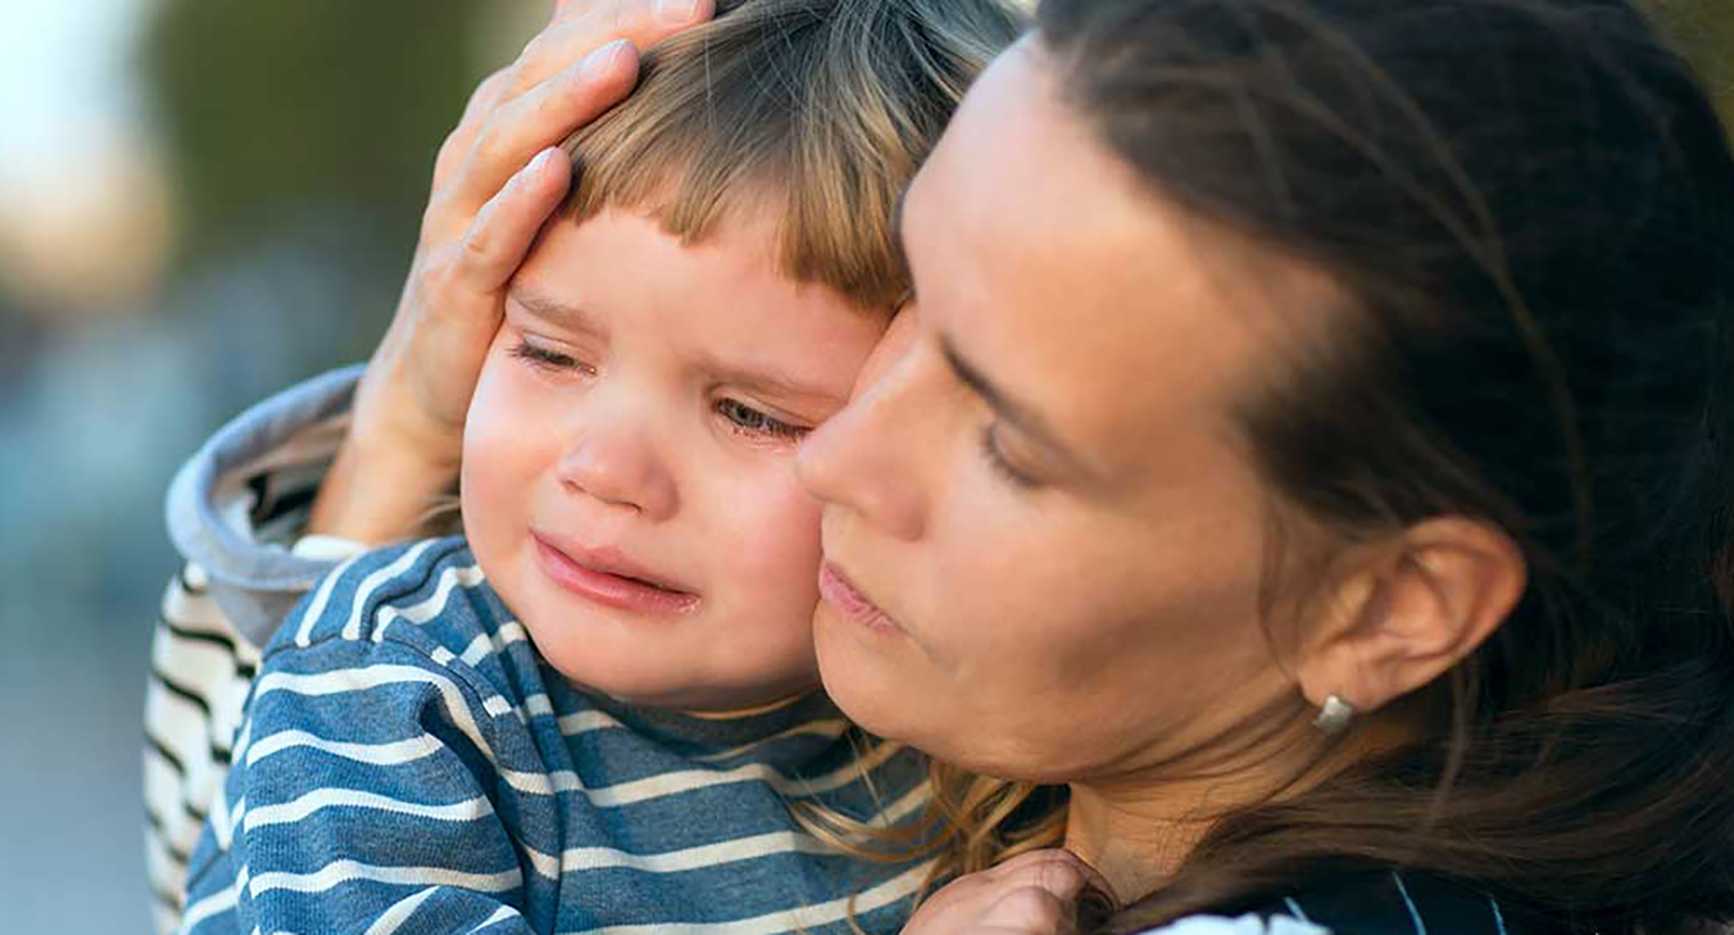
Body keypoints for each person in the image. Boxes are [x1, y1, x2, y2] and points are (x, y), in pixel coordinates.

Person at [155, 0, 1734, 932]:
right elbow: (251, 853)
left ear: (1388, 604)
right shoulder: (1006, 731)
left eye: (1005, 434)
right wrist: (405, 437)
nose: (843, 446)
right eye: (904, 312)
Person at [152, 1, 1026, 934]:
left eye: (750, 413)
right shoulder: (396, 690)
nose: (605, 468)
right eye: (551, 354)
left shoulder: (981, 744)